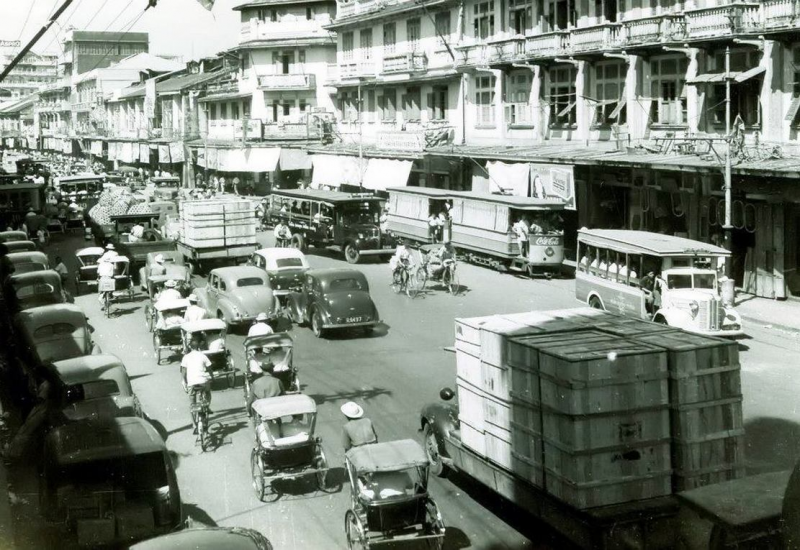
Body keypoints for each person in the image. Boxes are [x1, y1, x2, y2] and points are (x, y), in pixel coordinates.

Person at [182, 339, 212, 424]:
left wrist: (184, 382)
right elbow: (209, 368)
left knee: (192, 404)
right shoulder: (202, 355)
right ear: (198, 346)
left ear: (190, 347)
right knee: (208, 393)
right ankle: (207, 406)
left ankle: (194, 425)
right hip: (203, 382)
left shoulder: (186, 357)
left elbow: (183, 372)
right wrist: (212, 377)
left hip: (191, 383)